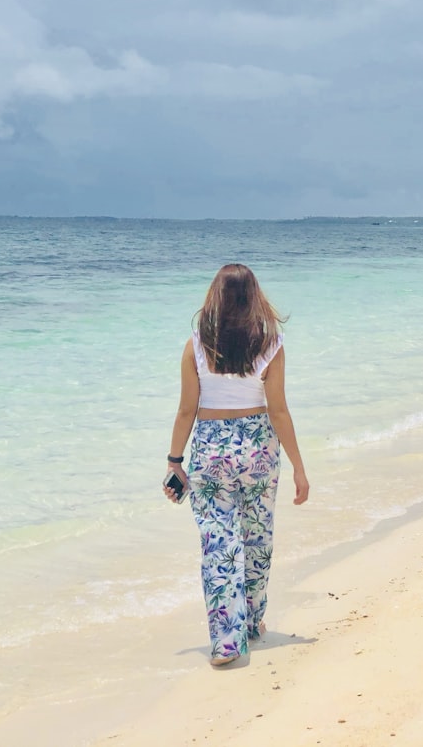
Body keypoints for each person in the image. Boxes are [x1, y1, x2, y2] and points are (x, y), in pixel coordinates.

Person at [164, 263, 310, 667]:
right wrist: (299, 466)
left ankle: (226, 642)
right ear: (254, 298)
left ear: (216, 298)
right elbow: (278, 411)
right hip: (258, 448)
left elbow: (185, 411)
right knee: (257, 537)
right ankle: (252, 622)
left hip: (211, 449)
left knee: (218, 544)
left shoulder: (196, 344)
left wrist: (175, 461)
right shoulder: (271, 343)